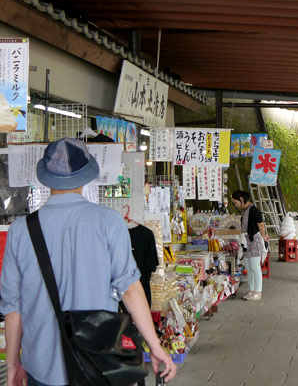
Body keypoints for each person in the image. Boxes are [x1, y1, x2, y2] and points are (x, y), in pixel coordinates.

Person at [0, 138, 176, 386]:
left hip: (42, 364)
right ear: (86, 177)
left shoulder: (20, 231)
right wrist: (155, 345)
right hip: (98, 360)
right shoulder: (109, 222)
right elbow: (131, 290)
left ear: (46, 177)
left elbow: (13, 307)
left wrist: (13, 363)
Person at [231, 190, 268, 300]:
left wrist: (264, 236)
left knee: (255, 267)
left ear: (242, 199)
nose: (235, 205)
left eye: (236, 202)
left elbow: (260, 224)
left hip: (254, 241)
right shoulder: (246, 210)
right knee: (249, 267)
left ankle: (258, 291)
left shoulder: (253, 210)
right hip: (246, 242)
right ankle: (251, 289)